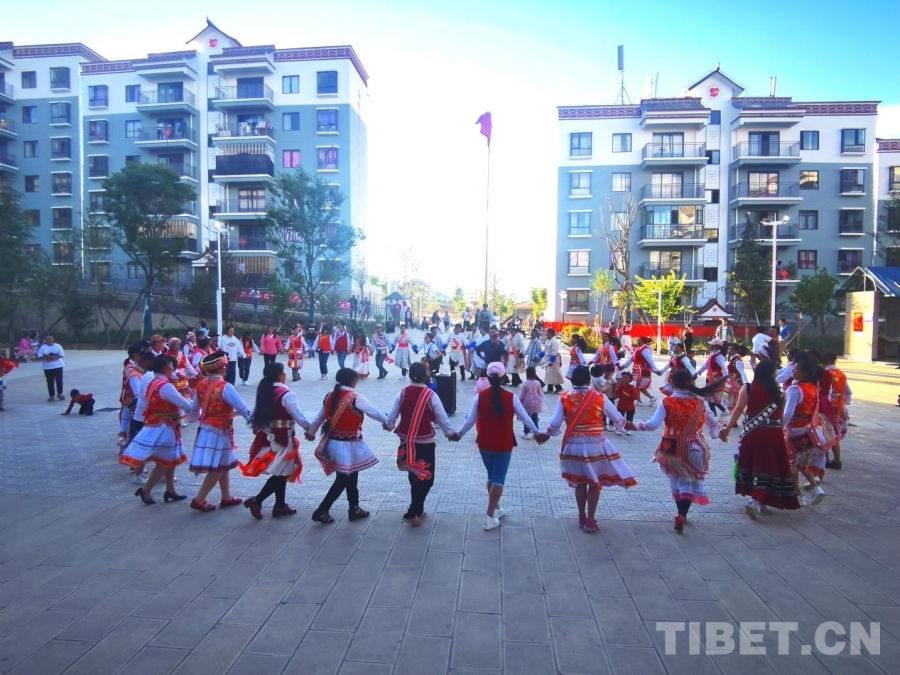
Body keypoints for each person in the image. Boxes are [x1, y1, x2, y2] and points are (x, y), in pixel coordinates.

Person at [453, 362, 548, 530]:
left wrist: (458, 435)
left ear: (488, 377)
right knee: (498, 480)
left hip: (484, 443)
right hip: (503, 444)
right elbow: (525, 417)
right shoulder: (510, 397)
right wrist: (537, 432)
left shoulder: (479, 397)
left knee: (491, 476)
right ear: (504, 377)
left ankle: (496, 509)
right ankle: (489, 516)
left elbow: (470, 420)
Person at [545, 365, 636, 533]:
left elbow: (555, 423)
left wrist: (546, 433)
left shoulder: (564, 397)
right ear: (589, 380)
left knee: (580, 482)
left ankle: (581, 515)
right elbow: (618, 419)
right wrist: (635, 426)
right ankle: (591, 519)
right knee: (595, 483)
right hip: (596, 444)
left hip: (573, 445)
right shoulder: (600, 397)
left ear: (572, 380)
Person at [634, 370, 724, 533]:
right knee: (687, 481)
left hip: (671, 447)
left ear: (673, 383)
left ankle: (680, 512)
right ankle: (682, 514)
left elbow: (652, 425)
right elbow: (713, 424)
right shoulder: (701, 403)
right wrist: (720, 433)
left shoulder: (667, 402)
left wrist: (634, 425)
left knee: (675, 481)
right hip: (694, 447)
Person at [306, 368, 389, 524]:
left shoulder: (329, 396)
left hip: (333, 442)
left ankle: (354, 508)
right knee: (343, 479)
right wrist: (388, 422)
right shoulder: (355, 398)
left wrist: (311, 432)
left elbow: (319, 417)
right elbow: (374, 413)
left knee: (352, 476)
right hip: (346, 445)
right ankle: (322, 510)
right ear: (353, 381)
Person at [719, 361, 800, 518]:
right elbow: (781, 416)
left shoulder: (748, 388)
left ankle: (755, 499)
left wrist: (727, 428)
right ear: (771, 373)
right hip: (774, 434)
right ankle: (761, 501)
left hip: (753, 433)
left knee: (755, 464)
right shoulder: (780, 391)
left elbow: (739, 408)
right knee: (770, 466)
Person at [384, 362, 456, 525]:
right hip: (425, 442)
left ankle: (418, 510)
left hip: (405, 441)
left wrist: (388, 425)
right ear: (425, 375)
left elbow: (392, 417)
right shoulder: (430, 395)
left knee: (414, 476)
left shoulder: (402, 393)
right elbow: (442, 418)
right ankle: (412, 512)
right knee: (427, 478)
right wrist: (450, 434)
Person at [240, 362, 311, 518]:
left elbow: (255, 413)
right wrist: (310, 430)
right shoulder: (286, 394)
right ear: (280, 375)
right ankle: (257, 500)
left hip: (268, 437)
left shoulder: (265, 390)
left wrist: (256, 425)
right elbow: (299, 417)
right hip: (283, 439)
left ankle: (280, 504)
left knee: (282, 471)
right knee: (281, 472)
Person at [121, 355, 193, 505]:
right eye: (171, 365)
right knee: (166, 462)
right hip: (164, 427)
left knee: (170, 459)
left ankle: (170, 490)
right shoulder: (165, 386)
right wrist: (200, 406)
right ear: (164, 367)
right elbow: (185, 404)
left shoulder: (154, 382)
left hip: (160, 424)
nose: (173, 368)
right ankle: (146, 490)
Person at [188, 352, 252, 511]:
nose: (226, 369)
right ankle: (199, 499)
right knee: (218, 467)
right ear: (221, 369)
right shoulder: (225, 387)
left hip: (206, 428)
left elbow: (194, 408)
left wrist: (193, 419)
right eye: (225, 366)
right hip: (219, 430)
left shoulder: (201, 384)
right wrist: (254, 424)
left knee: (224, 463)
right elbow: (243, 408)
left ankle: (226, 496)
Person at [783, 353, 830, 506]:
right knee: (802, 463)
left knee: (791, 465)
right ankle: (816, 489)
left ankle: (799, 496)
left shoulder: (795, 389)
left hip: (794, 432)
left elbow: (788, 413)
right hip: (808, 430)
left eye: (796, 368)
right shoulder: (813, 387)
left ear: (804, 373)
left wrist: (779, 426)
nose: (793, 370)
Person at [822, 352, 850, 469]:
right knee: (835, 434)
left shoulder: (826, 374)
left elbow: (826, 393)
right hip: (840, 406)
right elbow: (848, 391)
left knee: (826, 433)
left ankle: (827, 460)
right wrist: (844, 404)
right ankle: (837, 460)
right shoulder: (841, 373)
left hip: (828, 406)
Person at [619, 336, 660, 405]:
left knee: (638, 385)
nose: (637, 341)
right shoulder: (638, 349)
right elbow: (632, 359)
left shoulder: (645, 349)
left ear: (642, 341)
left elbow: (650, 360)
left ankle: (650, 398)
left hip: (642, 370)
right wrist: (624, 366)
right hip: (637, 370)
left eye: (639, 340)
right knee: (637, 385)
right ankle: (639, 400)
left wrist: (655, 369)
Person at [695, 338, 728, 416]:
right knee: (711, 397)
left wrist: (724, 379)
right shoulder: (712, 355)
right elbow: (706, 365)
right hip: (710, 377)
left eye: (712, 345)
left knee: (710, 397)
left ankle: (714, 415)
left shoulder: (719, 357)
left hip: (716, 378)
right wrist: (698, 373)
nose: (710, 346)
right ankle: (723, 410)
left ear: (717, 346)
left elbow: (724, 369)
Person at [37, 335, 66, 402]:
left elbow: (62, 355)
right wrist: (47, 358)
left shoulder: (58, 346)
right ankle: (51, 396)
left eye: (50, 339)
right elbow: (40, 356)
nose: (49, 341)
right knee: (50, 382)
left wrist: (54, 357)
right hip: (48, 367)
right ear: (46, 341)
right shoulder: (43, 347)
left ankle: (60, 393)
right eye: (48, 340)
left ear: (53, 340)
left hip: (58, 366)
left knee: (59, 380)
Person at [518, 367, 544, 437]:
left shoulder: (525, 383)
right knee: (535, 417)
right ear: (535, 374)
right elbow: (540, 393)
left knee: (526, 418)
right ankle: (536, 431)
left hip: (527, 403)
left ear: (527, 374)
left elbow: (522, 395)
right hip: (536, 403)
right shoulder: (538, 383)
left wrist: (519, 402)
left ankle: (526, 432)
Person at [543, 328, 564, 393]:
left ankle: (553, 389)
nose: (546, 334)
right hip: (549, 360)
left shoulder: (554, 341)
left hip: (553, 361)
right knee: (551, 375)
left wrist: (551, 362)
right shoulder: (548, 341)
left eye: (547, 333)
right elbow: (545, 350)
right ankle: (555, 388)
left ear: (550, 334)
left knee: (551, 374)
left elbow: (554, 352)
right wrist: (539, 357)